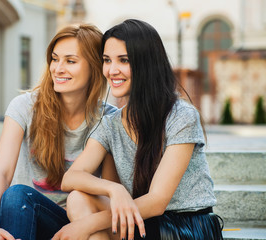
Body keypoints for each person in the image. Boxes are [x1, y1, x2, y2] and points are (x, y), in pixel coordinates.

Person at [54, 19, 224, 240]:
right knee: (78, 198)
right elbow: (71, 178)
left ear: (147, 63)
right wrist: (114, 189)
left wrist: (86, 225)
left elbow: (156, 202)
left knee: (90, 225)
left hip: (184, 227)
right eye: (107, 60)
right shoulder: (111, 123)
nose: (112, 70)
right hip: (141, 222)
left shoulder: (181, 116)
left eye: (123, 60)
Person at [0, 23, 116, 240]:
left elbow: (107, 193)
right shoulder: (24, 106)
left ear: (94, 67)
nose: (58, 68)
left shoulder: (108, 118)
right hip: (22, 216)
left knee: (17, 195)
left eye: (70, 61)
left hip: (75, 224)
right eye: (55, 59)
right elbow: (2, 173)